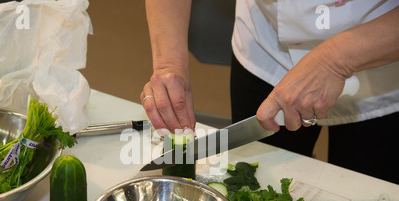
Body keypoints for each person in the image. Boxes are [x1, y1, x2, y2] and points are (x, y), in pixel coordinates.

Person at [140, 0, 399, 184]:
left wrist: (334, 60)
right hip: (266, 47)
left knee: (369, 197)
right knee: (262, 182)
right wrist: (168, 65)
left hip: (382, 64)